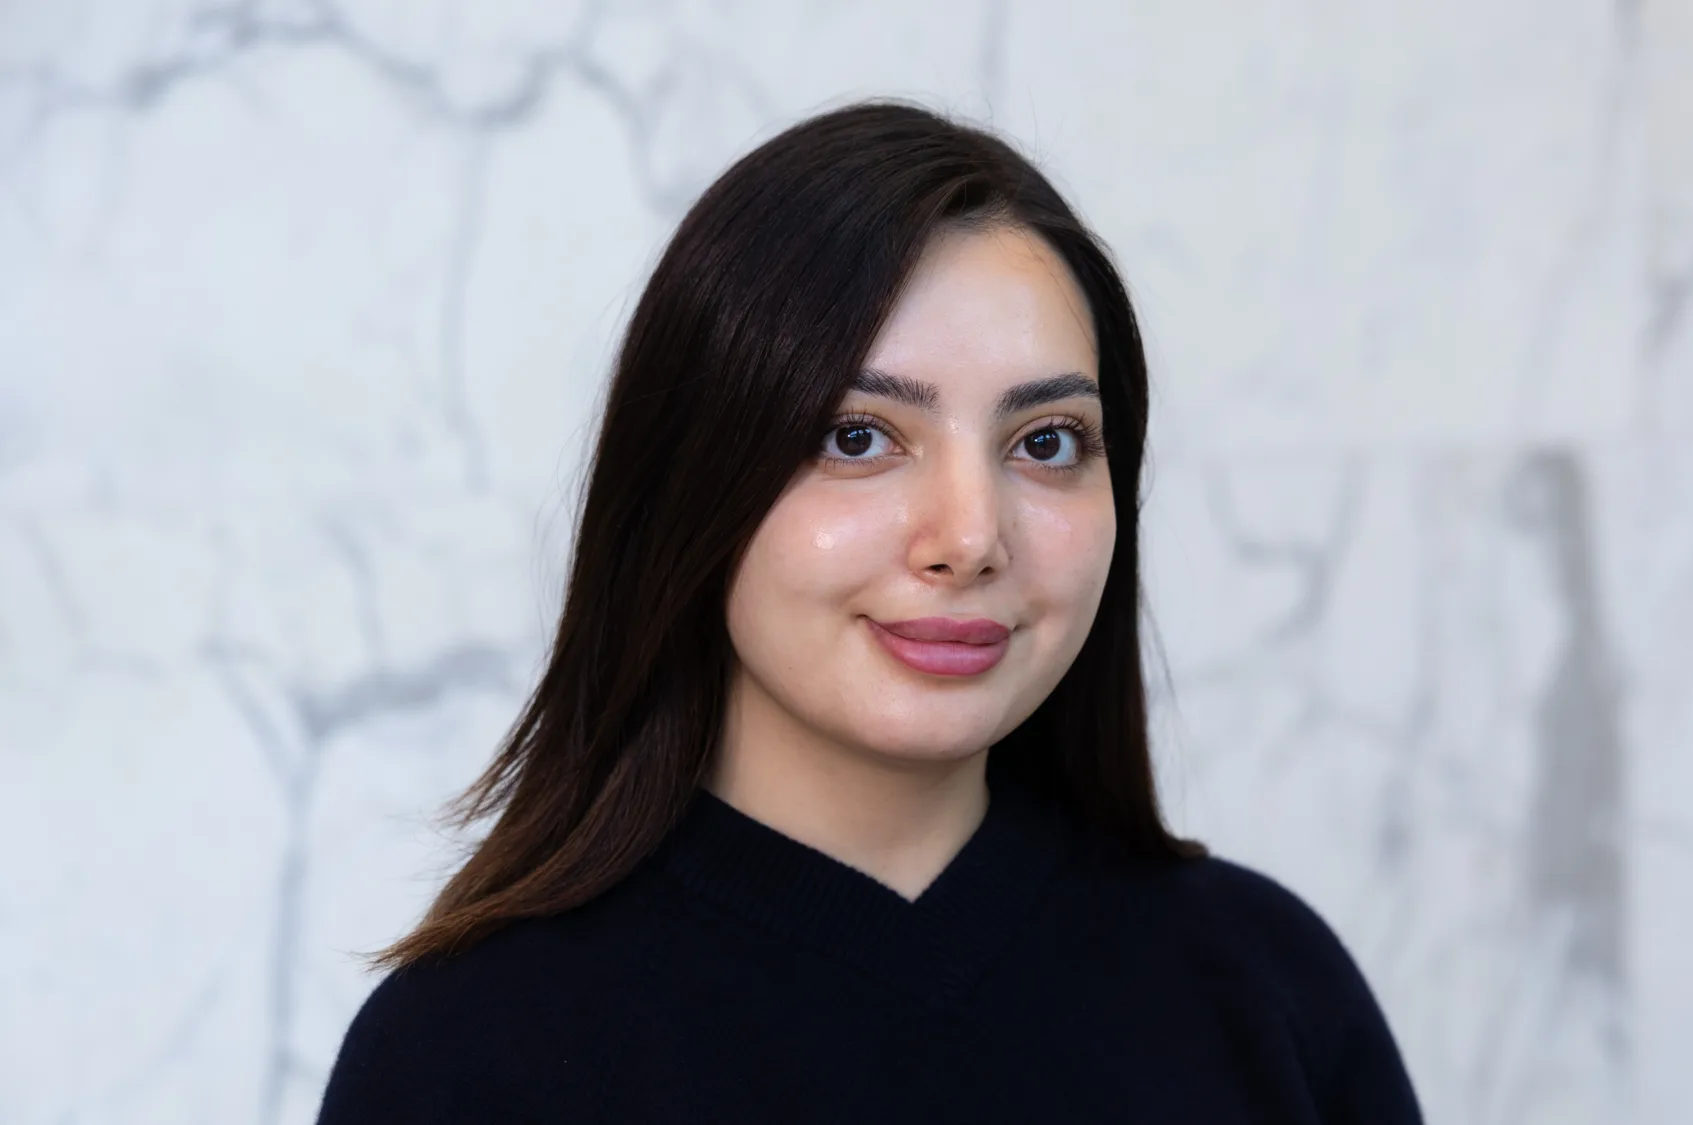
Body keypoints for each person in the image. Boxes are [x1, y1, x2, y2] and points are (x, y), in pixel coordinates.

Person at [316, 99, 1423, 1124]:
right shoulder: (469, 1051)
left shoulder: (1268, 991)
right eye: (857, 436)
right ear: (691, 481)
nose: (969, 538)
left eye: (1045, 444)